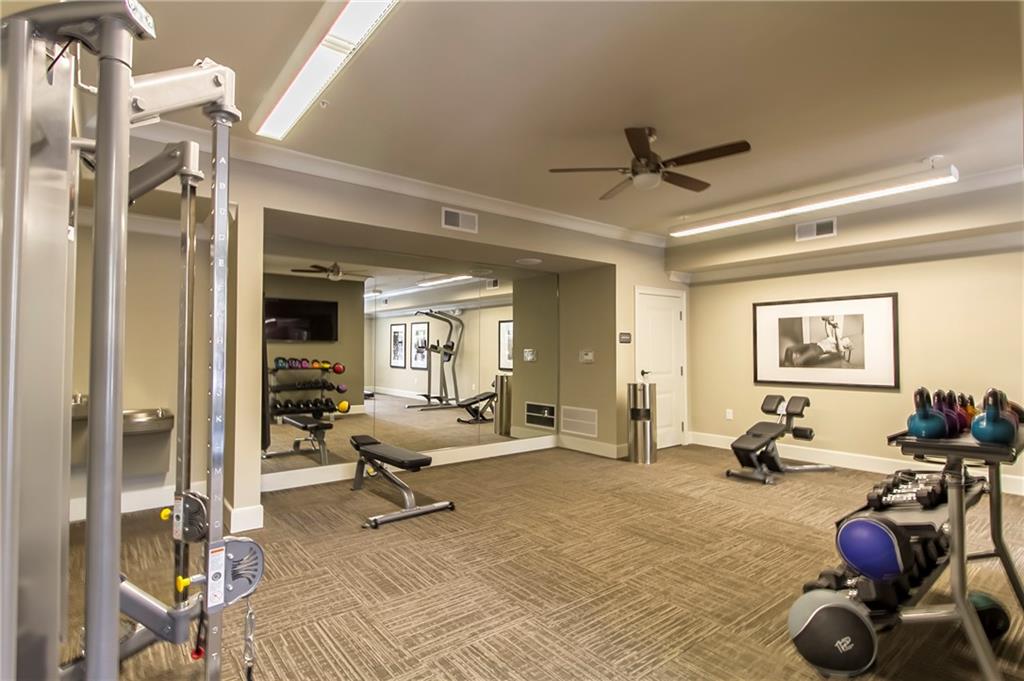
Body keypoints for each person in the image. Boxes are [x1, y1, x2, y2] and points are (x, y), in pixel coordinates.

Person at [782, 317, 854, 367]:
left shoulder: (840, 349)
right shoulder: (832, 340)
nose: (843, 339)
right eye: (844, 338)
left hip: (817, 350)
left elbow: (838, 338)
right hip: (812, 344)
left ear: (846, 346)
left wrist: (835, 328)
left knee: (797, 361)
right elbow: (827, 330)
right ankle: (787, 364)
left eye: (845, 341)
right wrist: (827, 321)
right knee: (789, 349)